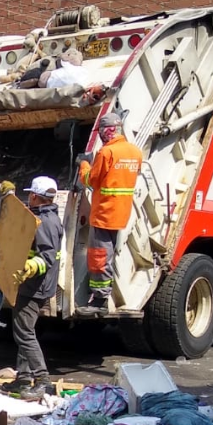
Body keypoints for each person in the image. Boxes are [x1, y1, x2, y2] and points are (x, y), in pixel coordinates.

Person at [77, 112, 142, 313]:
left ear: (107, 131)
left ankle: (100, 301)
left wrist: (84, 164)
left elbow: (90, 181)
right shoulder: (135, 152)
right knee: (108, 255)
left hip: (104, 213)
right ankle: (102, 296)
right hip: (121, 213)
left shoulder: (106, 153)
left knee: (99, 257)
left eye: (102, 132)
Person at [10, 176, 65, 398]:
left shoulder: (46, 222)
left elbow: (48, 256)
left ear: (34, 196)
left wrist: (30, 267)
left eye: (29, 195)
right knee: (25, 330)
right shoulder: (46, 216)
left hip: (35, 286)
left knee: (24, 333)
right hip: (36, 284)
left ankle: (42, 380)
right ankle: (23, 380)